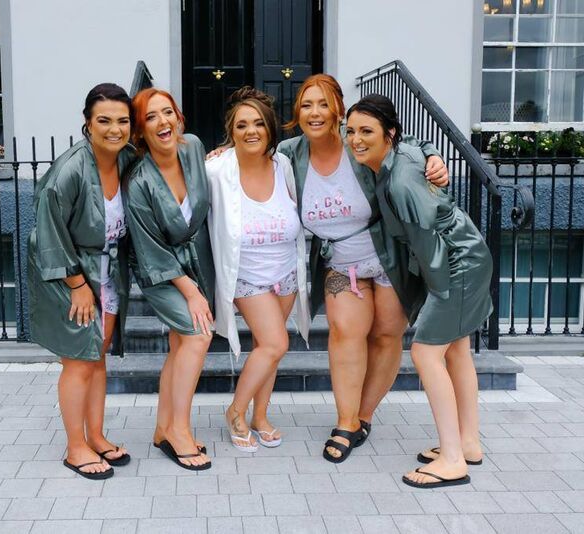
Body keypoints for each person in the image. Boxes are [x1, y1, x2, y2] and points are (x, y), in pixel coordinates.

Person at [275, 74, 450, 463]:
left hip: (388, 253)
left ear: (337, 108)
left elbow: (409, 142)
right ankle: (344, 421)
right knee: (344, 334)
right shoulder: (289, 153)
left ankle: (363, 417)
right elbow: (248, 155)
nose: (315, 112)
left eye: (323, 103)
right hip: (339, 260)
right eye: (306, 104)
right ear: (297, 113)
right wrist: (219, 155)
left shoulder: (355, 135)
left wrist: (434, 156)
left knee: (387, 336)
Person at [346, 94, 492, 488]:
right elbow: (414, 141)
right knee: (457, 349)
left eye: (366, 131)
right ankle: (468, 443)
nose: (356, 139)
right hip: (465, 256)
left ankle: (451, 459)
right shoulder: (402, 154)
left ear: (387, 134)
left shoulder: (401, 180)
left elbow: (427, 242)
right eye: (352, 131)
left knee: (427, 351)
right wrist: (431, 151)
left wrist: (439, 295)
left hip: (455, 264)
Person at [27, 83, 134, 480]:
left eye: (122, 121)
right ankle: (76, 447)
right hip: (71, 277)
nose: (114, 129)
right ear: (87, 124)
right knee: (78, 363)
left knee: (97, 358)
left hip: (105, 274)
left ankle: (97, 436)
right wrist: (76, 283)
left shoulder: (124, 160)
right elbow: (45, 233)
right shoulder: (70, 170)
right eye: (103, 120)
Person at [205, 87, 310, 451]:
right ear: (230, 132)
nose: (251, 131)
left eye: (258, 124)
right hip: (246, 276)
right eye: (242, 125)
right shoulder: (216, 170)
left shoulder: (283, 165)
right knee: (276, 342)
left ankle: (261, 416)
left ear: (269, 129)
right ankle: (235, 411)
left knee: (271, 349)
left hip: (285, 272)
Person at [126, 88, 215, 470]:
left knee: (181, 344)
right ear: (140, 130)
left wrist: (226, 154)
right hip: (159, 270)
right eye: (151, 117)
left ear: (179, 116)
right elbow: (150, 250)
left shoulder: (193, 147)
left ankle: (164, 429)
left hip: (198, 260)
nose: (163, 122)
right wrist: (191, 290)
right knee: (198, 334)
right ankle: (180, 429)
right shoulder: (138, 183)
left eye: (168, 113)